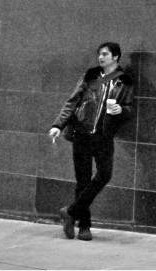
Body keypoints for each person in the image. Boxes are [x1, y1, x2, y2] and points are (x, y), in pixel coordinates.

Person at [48, 42, 134, 241]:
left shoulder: (125, 81)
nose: (100, 58)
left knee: (104, 175)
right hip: (82, 134)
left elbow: (130, 108)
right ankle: (84, 225)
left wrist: (122, 110)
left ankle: (70, 212)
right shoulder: (90, 77)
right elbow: (73, 101)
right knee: (83, 180)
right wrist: (58, 125)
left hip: (104, 136)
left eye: (105, 54)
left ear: (116, 57)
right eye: (99, 54)